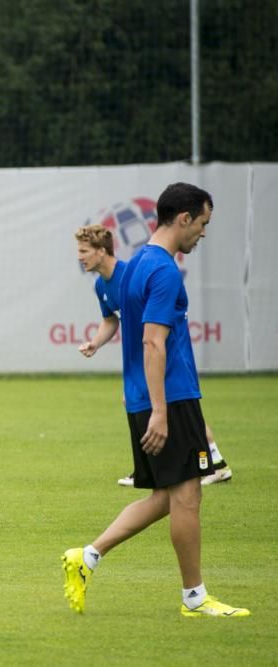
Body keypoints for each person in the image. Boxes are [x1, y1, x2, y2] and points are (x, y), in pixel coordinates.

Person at [62, 183, 249, 618]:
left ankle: (87, 557)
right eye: (202, 223)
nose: (203, 232)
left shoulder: (136, 265)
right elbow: (152, 343)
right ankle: (195, 598)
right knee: (187, 498)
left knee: (168, 497)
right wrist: (162, 412)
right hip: (171, 397)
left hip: (141, 398)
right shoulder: (163, 270)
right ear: (183, 218)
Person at [75, 224, 233, 487]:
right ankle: (148, 468)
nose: (80, 256)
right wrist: (95, 343)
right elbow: (111, 320)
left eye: (84, 250)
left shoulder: (130, 273)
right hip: (141, 359)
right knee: (138, 404)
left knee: (179, 408)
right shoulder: (101, 285)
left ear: (102, 251)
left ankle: (214, 461)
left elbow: (154, 325)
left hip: (161, 355)